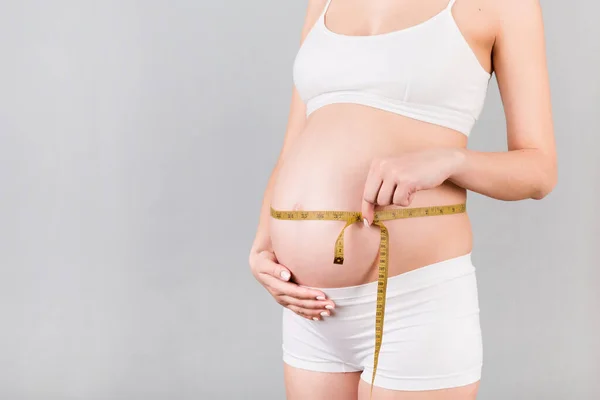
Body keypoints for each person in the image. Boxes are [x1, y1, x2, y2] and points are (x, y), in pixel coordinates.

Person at [248, 0, 556, 398]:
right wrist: (264, 242)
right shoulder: (321, 3)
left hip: (414, 303)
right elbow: (294, 144)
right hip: (310, 308)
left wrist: (451, 161)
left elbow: (540, 171)